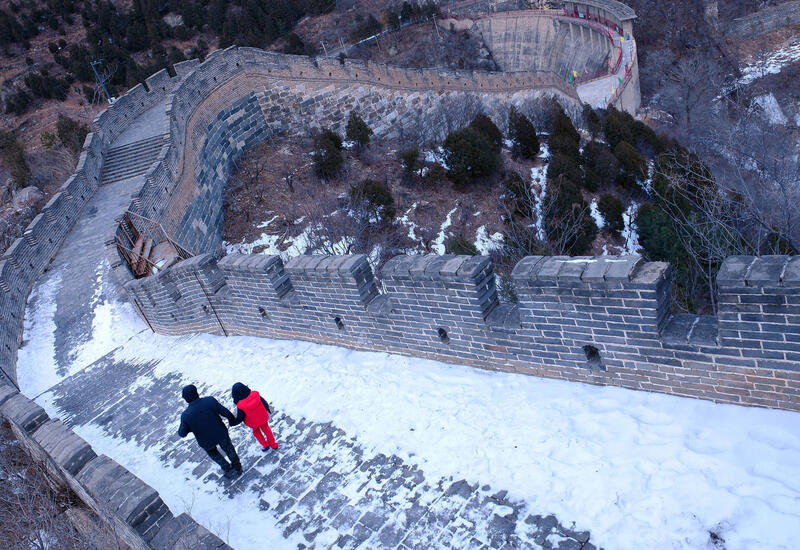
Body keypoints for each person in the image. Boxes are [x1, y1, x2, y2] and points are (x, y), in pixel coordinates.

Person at [178, 384, 242, 478]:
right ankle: (237, 466)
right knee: (229, 449)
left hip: (206, 441)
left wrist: (191, 427)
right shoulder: (209, 401)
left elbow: (182, 433)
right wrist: (232, 420)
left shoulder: (186, 415)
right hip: (220, 433)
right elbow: (225, 412)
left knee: (214, 454)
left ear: (186, 399)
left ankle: (227, 468)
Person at [230, 382, 278, 451]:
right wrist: (267, 408)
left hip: (253, 423)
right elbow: (263, 401)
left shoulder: (240, 405)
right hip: (263, 418)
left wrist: (233, 423)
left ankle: (265, 445)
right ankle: (274, 444)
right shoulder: (255, 394)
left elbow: (240, 418)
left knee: (256, 432)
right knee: (267, 430)